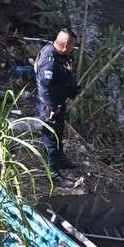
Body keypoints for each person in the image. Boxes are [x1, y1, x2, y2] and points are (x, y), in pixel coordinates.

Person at [35, 29, 84, 180]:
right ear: (65, 45)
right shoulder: (49, 60)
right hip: (49, 105)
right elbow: (45, 88)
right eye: (72, 47)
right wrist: (51, 108)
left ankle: (60, 160)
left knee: (58, 133)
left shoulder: (60, 56)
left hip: (58, 102)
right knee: (50, 137)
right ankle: (52, 173)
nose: (72, 50)